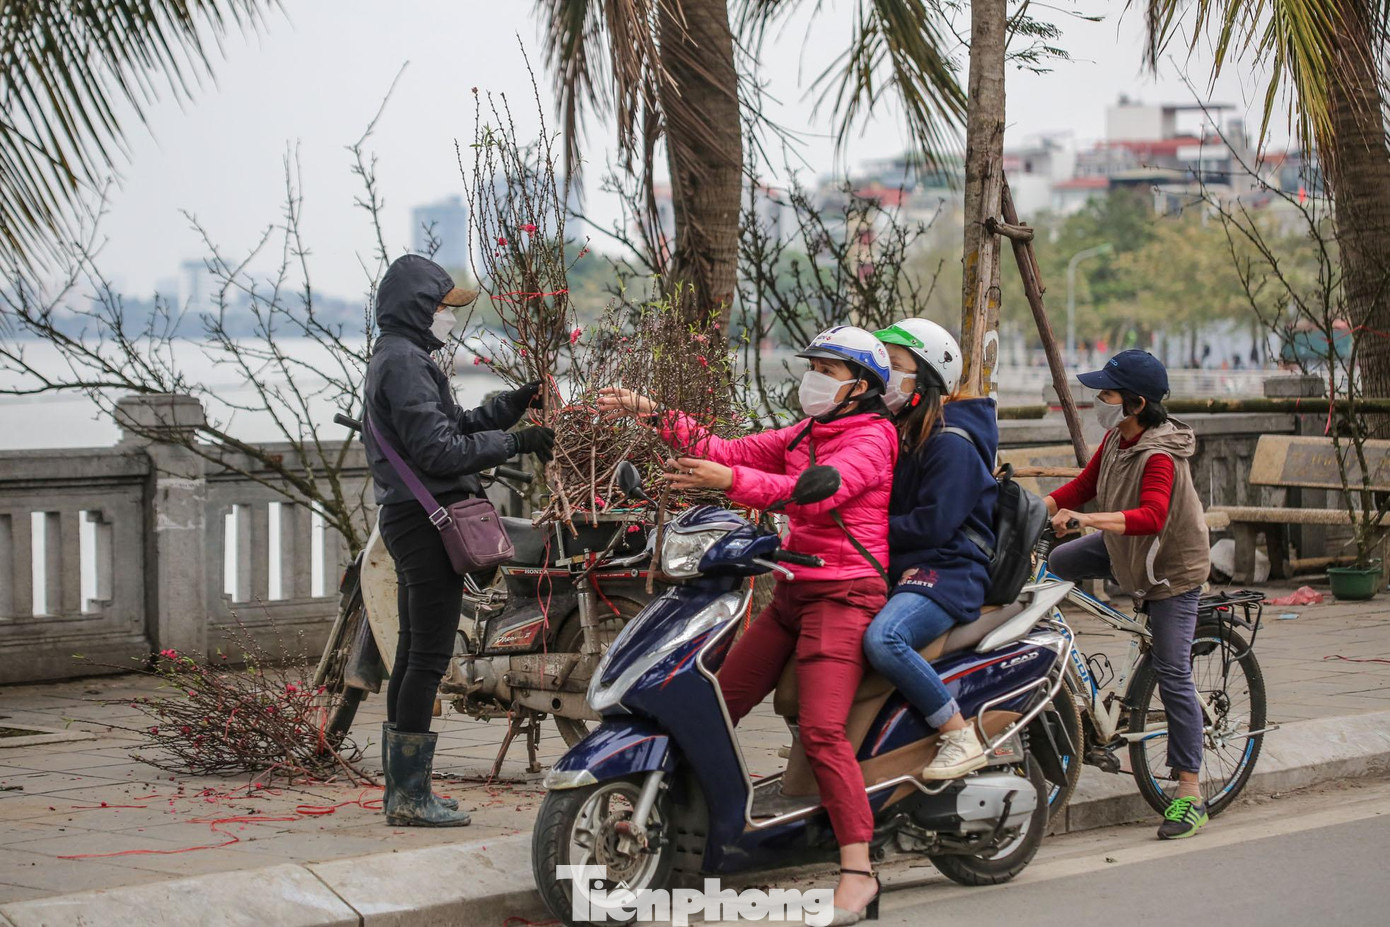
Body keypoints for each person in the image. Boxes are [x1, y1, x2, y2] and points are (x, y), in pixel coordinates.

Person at [598, 326, 897, 925]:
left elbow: (811, 497)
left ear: (859, 386)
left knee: (820, 729)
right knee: (712, 702)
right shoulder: (809, 431)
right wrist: (654, 414)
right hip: (792, 589)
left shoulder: (872, 438)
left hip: (844, 594)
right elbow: (730, 450)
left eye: (827, 371)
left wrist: (731, 484)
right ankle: (688, 822)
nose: (813, 378)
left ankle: (859, 872)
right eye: (811, 365)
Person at [363, 254, 555, 827]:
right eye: (445, 308)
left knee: (412, 657)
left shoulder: (401, 358)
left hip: (411, 517)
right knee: (426, 657)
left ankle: (404, 791)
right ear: (421, 309)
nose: (451, 318)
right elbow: (440, 453)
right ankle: (410, 798)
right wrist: (519, 443)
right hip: (426, 523)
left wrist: (513, 404)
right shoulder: (404, 363)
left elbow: (453, 425)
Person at [1045, 350, 1211, 840]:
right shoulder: (1118, 437)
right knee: (1054, 567)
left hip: (1170, 570)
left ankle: (1188, 793)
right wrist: (1033, 509)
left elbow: (1152, 516)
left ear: (1136, 403)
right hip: (1125, 547)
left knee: (1172, 669)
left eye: (1108, 394)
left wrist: (1087, 520)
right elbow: (1084, 484)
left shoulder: (1159, 453)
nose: (1100, 401)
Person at [861, 319, 999, 780]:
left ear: (926, 381)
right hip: (903, 566)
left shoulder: (951, 443)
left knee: (885, 640)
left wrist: (863, 529)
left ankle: (958, 734)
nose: (884, 378)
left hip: (948, 571)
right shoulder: (899, 433)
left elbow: (932, 525)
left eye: (895, 367)